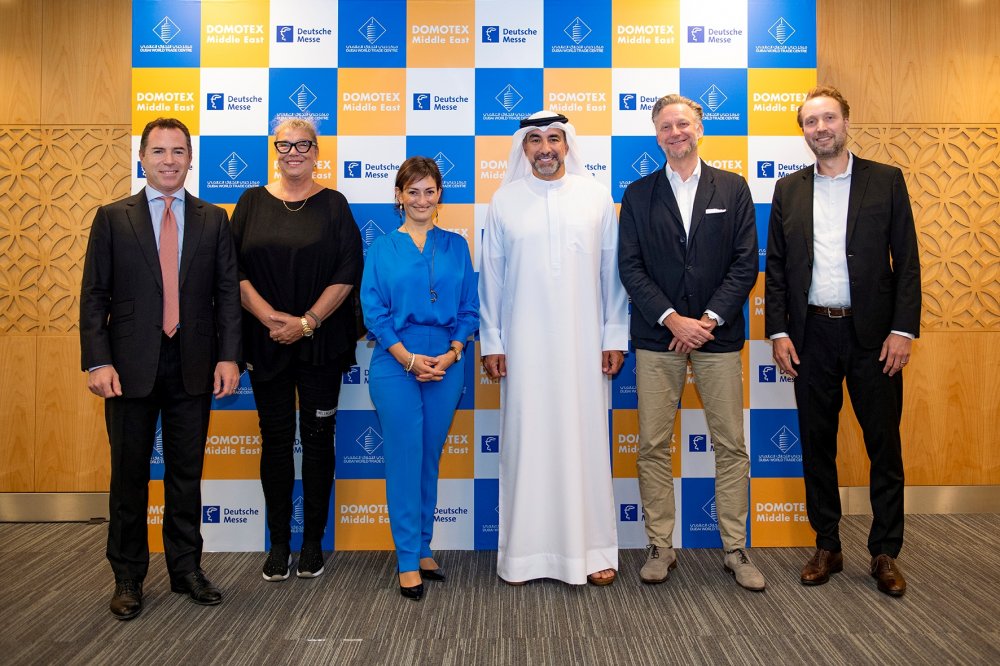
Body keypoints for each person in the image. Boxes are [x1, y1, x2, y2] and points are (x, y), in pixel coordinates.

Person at [80, 117, 241, 620]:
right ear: (142, 158)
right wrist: (98, 360)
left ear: (191, 159)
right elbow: (94, 296)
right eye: (159, 151)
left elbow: (227, 295)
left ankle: (186, 569)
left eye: (178, 151)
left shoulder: (214, 219)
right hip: (128, 369)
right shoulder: (112, 217)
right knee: (128, 477)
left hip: (193, 365)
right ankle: (128, 575)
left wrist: (229, 356)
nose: (169, 160)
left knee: (186, 476)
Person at [765, 85, 921, 597]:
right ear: (803, 131)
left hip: (874, 339)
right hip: (811, 336)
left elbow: (908, 262)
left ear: (846, 122)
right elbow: (778, 269)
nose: (821, 128)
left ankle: (885, 551)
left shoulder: (886, 180)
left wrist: (902, 330)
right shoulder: (788, 190)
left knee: (884, 446)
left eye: (829, 118)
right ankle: (827, 545)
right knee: (817, 445)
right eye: (811, 122)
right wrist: (779, 331)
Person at [618, 94, 764, 591]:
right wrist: (672, 319)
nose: (675, 132)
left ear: (699, 128)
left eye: (682, 124)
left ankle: (735, 548)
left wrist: (705, 320)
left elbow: (745, 262)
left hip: (717, 337)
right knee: (652, 446)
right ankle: (661, 546)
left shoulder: (733, 187)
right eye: (665, 126)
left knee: (732, 446)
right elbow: (630, 267)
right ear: (656, 135)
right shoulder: (638, 194)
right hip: (658, 338)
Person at [479, 111, 629, 586]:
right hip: (522, 345)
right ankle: (525, 557)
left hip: (584, 344)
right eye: (535, 140)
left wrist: (613, 334)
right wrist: (492, 340)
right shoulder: (504, 201)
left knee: (585, 441)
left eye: (554, 139)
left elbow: (612, 274)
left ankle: (593, 550)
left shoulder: (595, 198)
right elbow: (492, 279)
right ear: (523, 148)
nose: (545, 148)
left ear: (567, 145)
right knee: (528, 443)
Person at [232, 118, 363, 583]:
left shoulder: (334, 204)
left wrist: (306, 322)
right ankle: (279, 543)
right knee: (275, 441)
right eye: (285, 145)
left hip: (320, 344)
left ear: (316, 151)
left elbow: (348, 271)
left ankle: (311, 543)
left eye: (303, 144)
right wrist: (271, 318)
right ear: (275, 150)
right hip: (266, 342)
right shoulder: (250, 202)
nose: (293, 152)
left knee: (319, 441)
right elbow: (232, 270)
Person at [361, 157, 479, 601]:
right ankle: (407, 558)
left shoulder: (456, 246)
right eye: (413, 191)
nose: (422, 200)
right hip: (396, 361)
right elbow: (373, 310)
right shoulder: (382, 248)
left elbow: (469, 309)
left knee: (429, 457)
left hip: (447, 361)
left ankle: (424, 546)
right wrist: (407, 359)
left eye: (429, 191)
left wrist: (453, 352)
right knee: (404, 458)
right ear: (399, 196)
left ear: (439, 195)